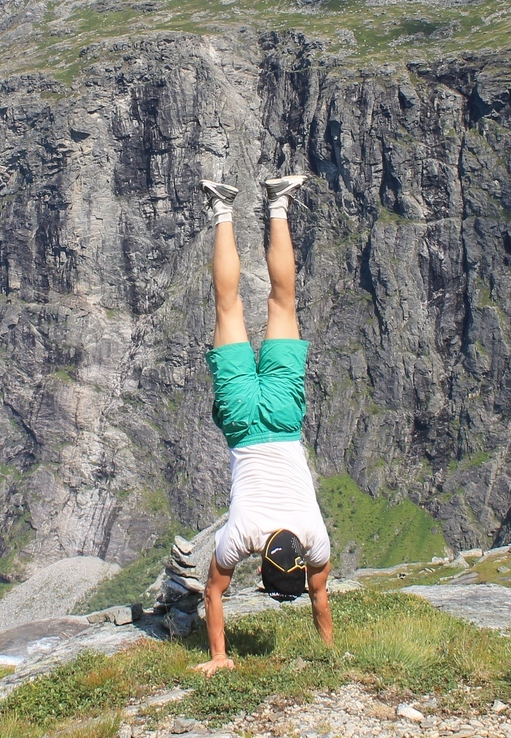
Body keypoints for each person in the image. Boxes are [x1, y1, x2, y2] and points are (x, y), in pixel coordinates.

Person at [191, 174, 333, 677]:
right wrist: (220, 657)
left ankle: (277, 201)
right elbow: (214, 593)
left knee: (281, 303)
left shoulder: (316, 540)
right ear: (265, 566)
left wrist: (331, 647)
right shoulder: (239, 539)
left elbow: (320, 595)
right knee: (228, 306)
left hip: (283, 416)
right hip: (243, 425)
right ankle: (222, 209)